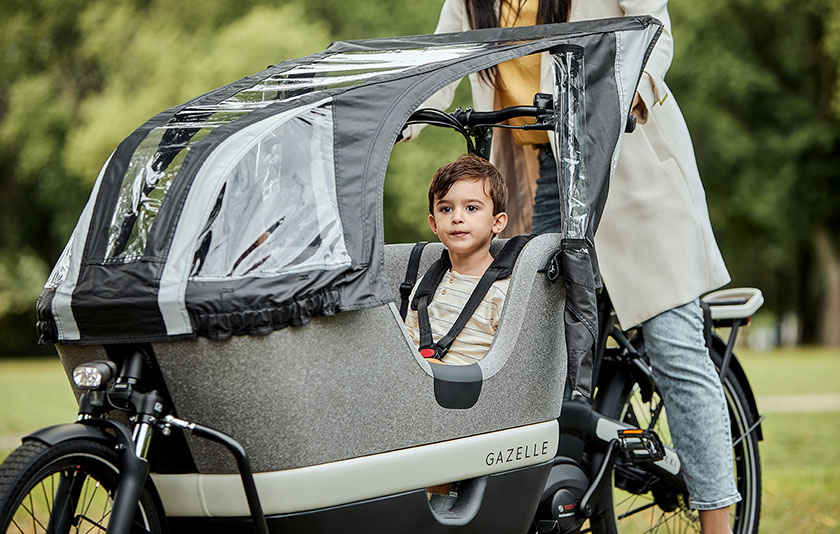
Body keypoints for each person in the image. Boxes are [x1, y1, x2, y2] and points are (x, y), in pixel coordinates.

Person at [401, 1, 739, 532]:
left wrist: (623, 98)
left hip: (623, 160)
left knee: (675, 345)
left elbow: (653, 34)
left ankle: (719, 523)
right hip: (532, 173)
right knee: (522, 349)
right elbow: (443, 59)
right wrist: (398, 114)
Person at [404, 153, 509, 366]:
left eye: (471, 208)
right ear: (433, 224)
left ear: (497, 222)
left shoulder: (502, 293)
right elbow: (407, 346)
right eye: (446, 209)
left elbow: (507, 372)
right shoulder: (426, 285)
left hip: (469, 393)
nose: (457, 217)